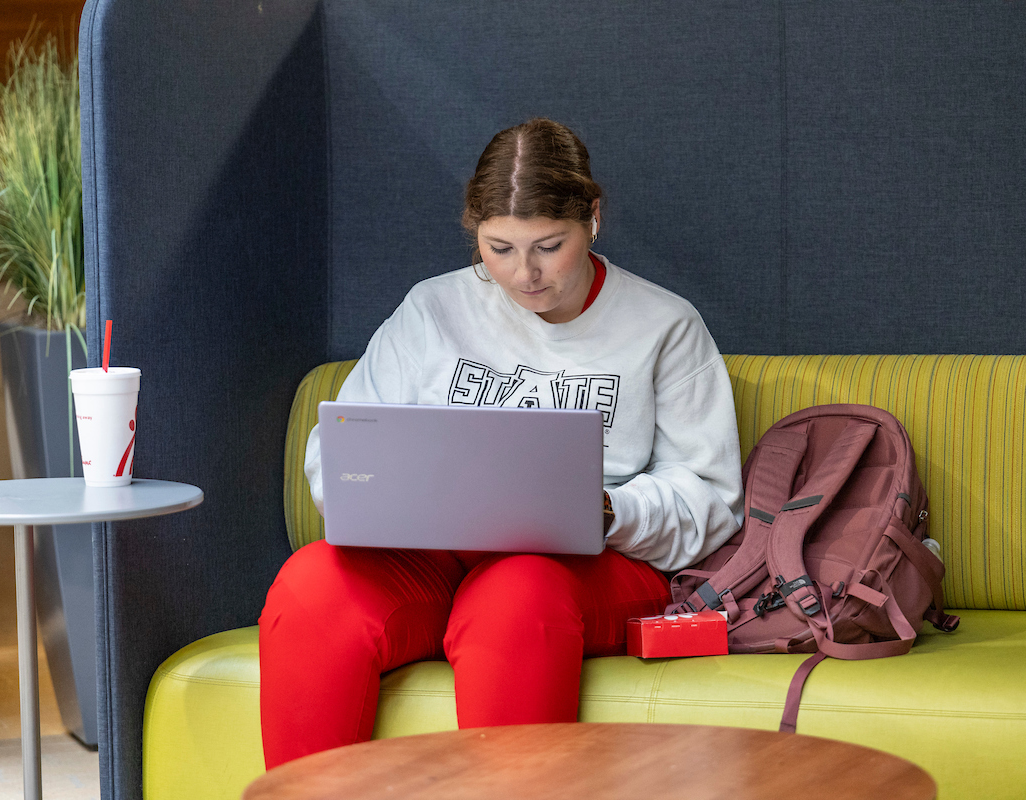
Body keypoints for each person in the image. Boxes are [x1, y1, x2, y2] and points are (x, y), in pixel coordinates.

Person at [258, 118, 743, 768]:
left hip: (584, 564)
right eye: (500, 248)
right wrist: (372, 494)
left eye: (549, 245)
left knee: (513, 599)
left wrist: (607, 509)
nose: (524, 274)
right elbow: (337, 451)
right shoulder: (433, 309)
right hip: (433, 556)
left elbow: (710, 502)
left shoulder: (664, 325)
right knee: (311, 586)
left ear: (592, 219)